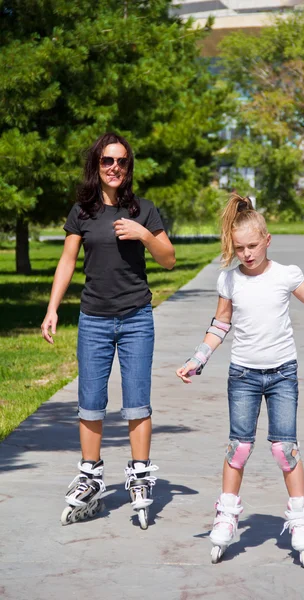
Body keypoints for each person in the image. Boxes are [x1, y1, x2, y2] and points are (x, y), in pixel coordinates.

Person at [176, 194, 304, 567]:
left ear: (267, 240)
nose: (247, 254)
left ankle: (300, 518)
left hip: (282, 374)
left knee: (285, 449)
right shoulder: (229, 280)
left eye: (253, 246)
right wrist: (197, 360)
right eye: (240, 248)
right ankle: (227, 516)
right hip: (243, 375)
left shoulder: (286, 274)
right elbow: (220, 325)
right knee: (239, 448)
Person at [41, 132, 175, 528]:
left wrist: (144, 235)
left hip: (136, 318)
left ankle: (139, 476)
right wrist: (52, 309)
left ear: (128, 167)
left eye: (121, 161)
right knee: (90, 401)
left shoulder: (144, 210)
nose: (114, 167)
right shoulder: (81, 212)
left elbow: (168, 260)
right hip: (94, 319)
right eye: (106, 161)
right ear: (96, 166)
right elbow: (66, 263)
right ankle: (90, 475)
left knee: (137, 402)